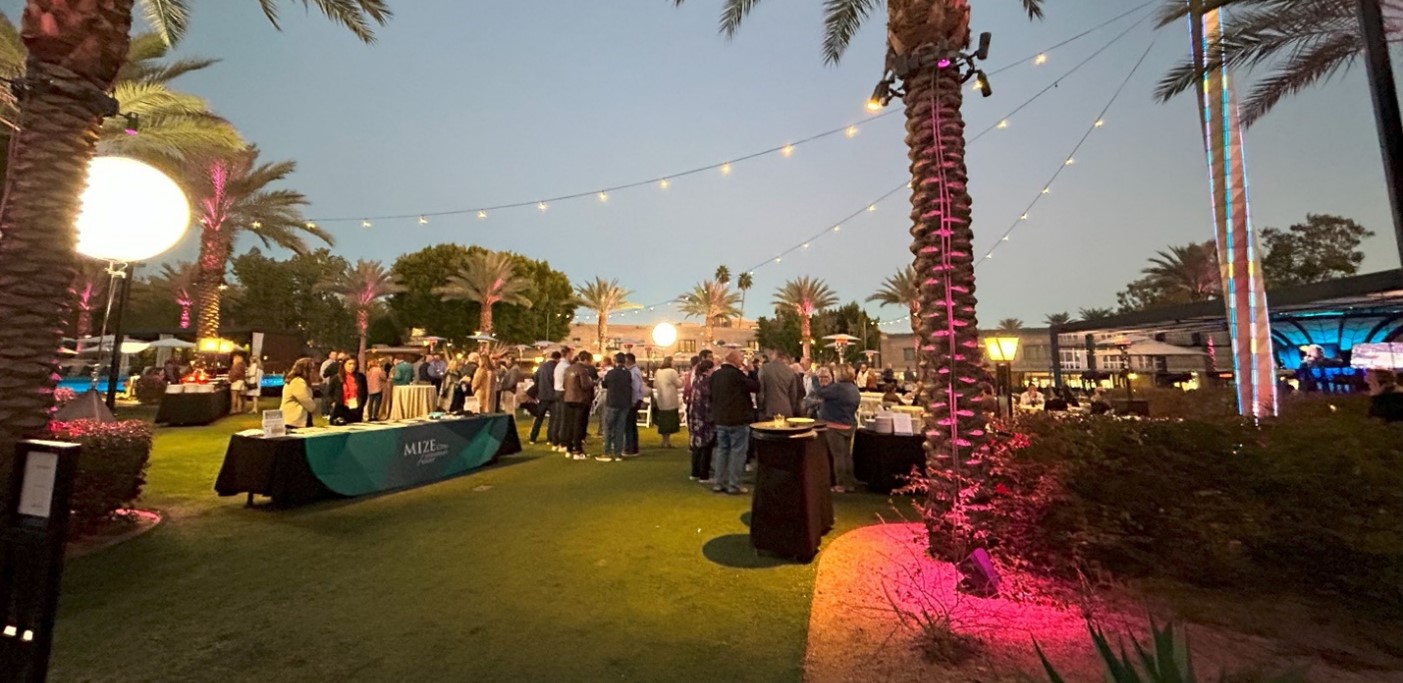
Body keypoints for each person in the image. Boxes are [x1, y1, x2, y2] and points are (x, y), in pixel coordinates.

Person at [709, 350, 760, 495]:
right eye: (741, 359)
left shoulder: (716, 375)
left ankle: (718, 482)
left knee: (722, 450)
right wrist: (752, 371)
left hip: (721, 418)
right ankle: (734, 484)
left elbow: (711, 394)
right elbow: (756, 387)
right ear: (735, 360)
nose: (742, 362)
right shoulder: (737, 376)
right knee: (737, 452)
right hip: (738, 419)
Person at [817, 364, 861, 493]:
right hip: (848, 424)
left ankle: (840, 484)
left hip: (835, 426)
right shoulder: (854, 388)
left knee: (838, 457)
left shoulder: (837, 388)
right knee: (847, 456)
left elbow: (819, 392)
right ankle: (849, 483)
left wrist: (814, 378)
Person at [686, 359, 716, 481]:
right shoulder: (708, 381)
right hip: (705, 416)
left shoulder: (696, 380)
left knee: (696, 444)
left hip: (695, 415)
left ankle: (695, 472)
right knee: (706, 445)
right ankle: (704, 474)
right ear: (709, 369)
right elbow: (710, 397)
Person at [562, 350, 595, 459]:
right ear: (585, 360)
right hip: (579, 400)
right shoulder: (582, 370)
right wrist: (591, 382)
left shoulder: (568, 369)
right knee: (578, 425)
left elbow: (564, 384)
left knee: (569, 424)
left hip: (567, 398)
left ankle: (568, 448)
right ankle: (578, 450)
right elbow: (585, 385)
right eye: (589, 361)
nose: (590, 363)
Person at [601, 353, 633, 462]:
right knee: (620, 429)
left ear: (615, 361)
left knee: (608, 428)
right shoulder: (628, 373)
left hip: (612, 402)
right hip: (624, 403)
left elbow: (604, 384)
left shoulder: (611, 373)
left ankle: (606, 453)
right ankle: (618, 453)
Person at [758, 349, 801, 418]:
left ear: (775, 356)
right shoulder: (790, 371)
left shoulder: (764, 368)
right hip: (786, 409)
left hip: (769, 410)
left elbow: (760, 391)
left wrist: (760, 407)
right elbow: (793, 394)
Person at [327, 357, 368, 424]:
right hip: (340, 409)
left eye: (354, 364)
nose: (352, 366)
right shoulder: (336, 378)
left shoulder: (361, 377)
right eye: (349, 364)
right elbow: (329, 393)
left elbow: (364, 392)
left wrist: (361, 405)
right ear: (344, 364)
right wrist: (333, 403)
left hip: (355, 408)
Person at [652, 357, 683, 448]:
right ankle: (667, 441)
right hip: (670, 399)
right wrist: (682, 379)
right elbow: (679, 384)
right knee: (669, 420)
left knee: (663, 420)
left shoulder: (658, 372)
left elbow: (654, 384)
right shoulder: (672, 372)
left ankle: (664, 440)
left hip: (661, 398)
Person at [531, 352, 561, 444]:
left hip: (543, 396)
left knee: (539, 417)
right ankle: (550, 437)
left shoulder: (542, 366)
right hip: (553, 396)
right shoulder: (556, 367)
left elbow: (535, 378)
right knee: (553, 418)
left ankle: (533, 437)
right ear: (558, 358)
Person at [281, 358, 318, 428]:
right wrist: (314, 407)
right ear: (306, 369)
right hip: (293, 421)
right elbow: (305, 400)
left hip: (296, 419)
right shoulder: (297, 382)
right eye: (312, 368)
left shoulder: (298, 381)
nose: (313, 371)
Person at [552, 346, 574, 451]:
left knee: (558, 417)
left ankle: (555, 441)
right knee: (564, 419)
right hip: (563, 392)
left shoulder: (559, 365)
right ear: (568, 354)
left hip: (557, 391)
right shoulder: (565, 366)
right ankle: (563, 443)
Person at [624, 353, 644, 456]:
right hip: (635, 400)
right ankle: (632, 447)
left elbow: (635, 388)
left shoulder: (633, 372)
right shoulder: (633, 371)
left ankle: (631, 448)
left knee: (629, 425)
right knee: (631, 425)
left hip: (633, 400)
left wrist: (633, 401)